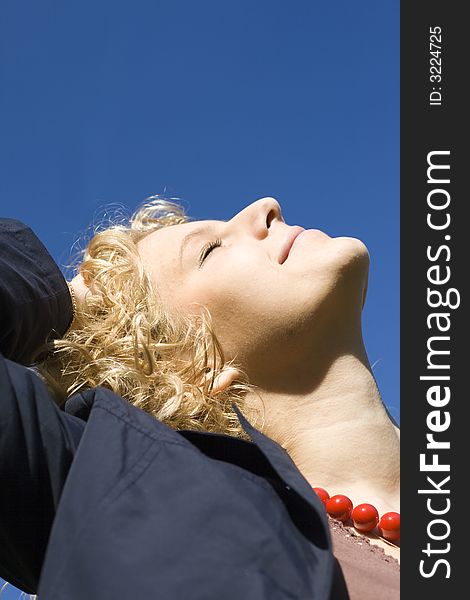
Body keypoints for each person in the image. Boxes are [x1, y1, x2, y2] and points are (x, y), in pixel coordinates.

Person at [0, 196, 399, 599]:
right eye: (209, 251)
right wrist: (66, 299)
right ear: (192, 367)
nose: (267, 206)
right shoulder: (159, 523)